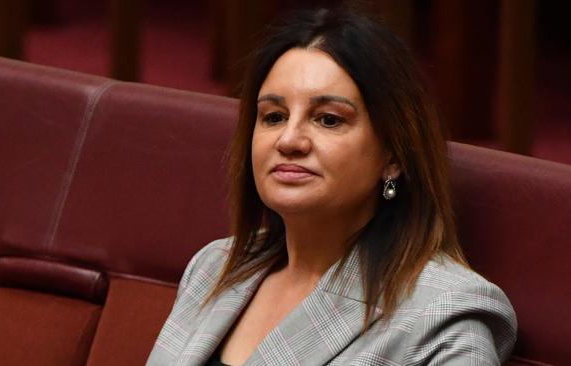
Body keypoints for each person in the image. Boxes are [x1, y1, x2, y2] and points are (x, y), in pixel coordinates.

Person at [148, 6, 516, 366]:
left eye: (327, 120)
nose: (289, 140)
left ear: (395, 156)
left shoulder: (444, 319)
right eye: (274, 117)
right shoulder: (215, 267)